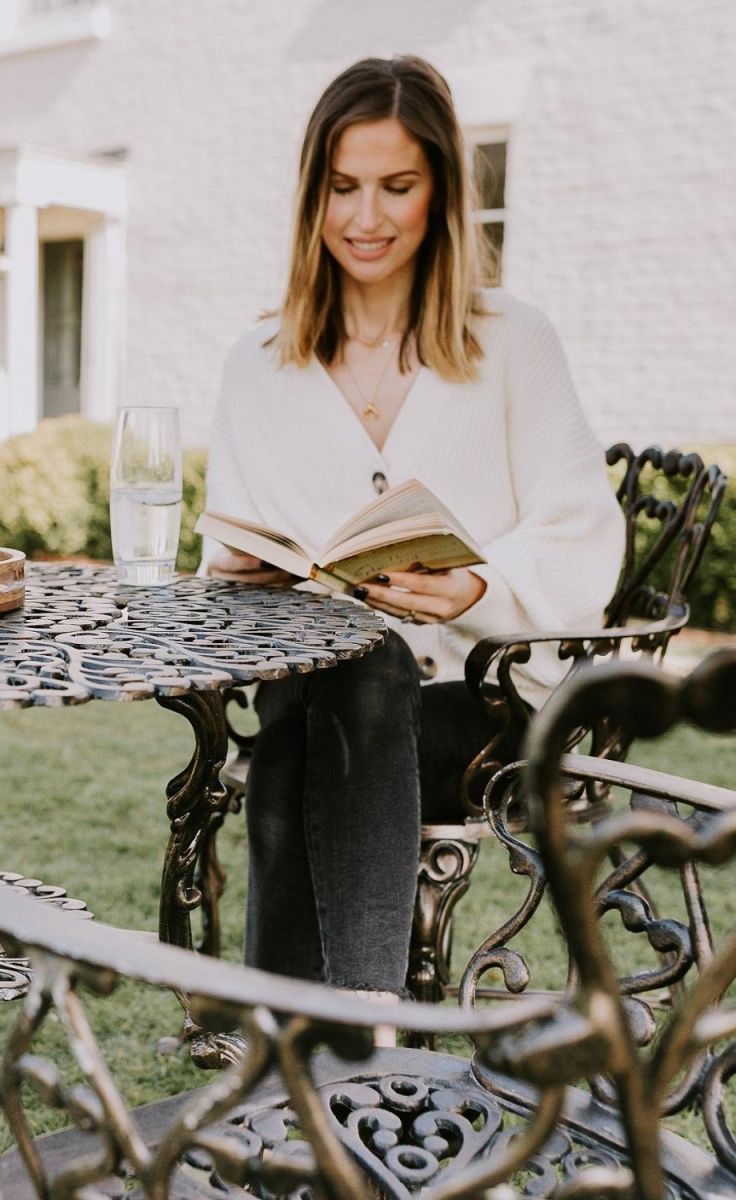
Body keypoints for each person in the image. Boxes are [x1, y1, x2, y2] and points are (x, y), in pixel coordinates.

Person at [203, 56, 625, 996]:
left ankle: (311, 1045)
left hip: (484, 703)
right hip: (315, 693)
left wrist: (479, 584)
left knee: (339, 701)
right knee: (339, 684)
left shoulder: (514, 339)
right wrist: (246, 571)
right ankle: (350, 1048)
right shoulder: (257, 364)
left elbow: (580, 531)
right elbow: (224, 551)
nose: (366, 218)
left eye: (397, 187)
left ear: (441, 193)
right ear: (313, 195)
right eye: (344, 188)